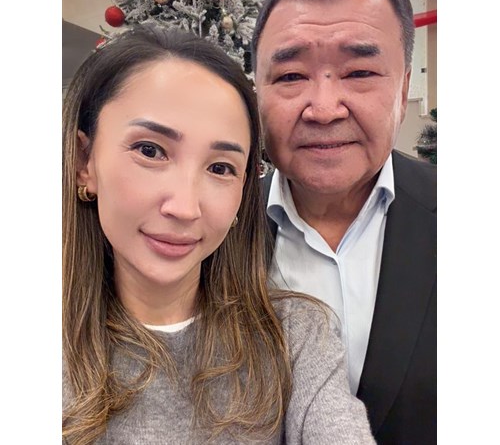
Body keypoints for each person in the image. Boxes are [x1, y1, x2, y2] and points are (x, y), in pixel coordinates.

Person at [62, 24, 375, 444]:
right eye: (150, 151)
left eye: (220, 168)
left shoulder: (295, 337)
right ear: (84, 162)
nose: (185, 207)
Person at [251, 0, 436, 445]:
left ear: (403, 89)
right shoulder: (207, 232)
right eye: (291, 77)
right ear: (258, 91)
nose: (324, 109)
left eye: (359, 73)